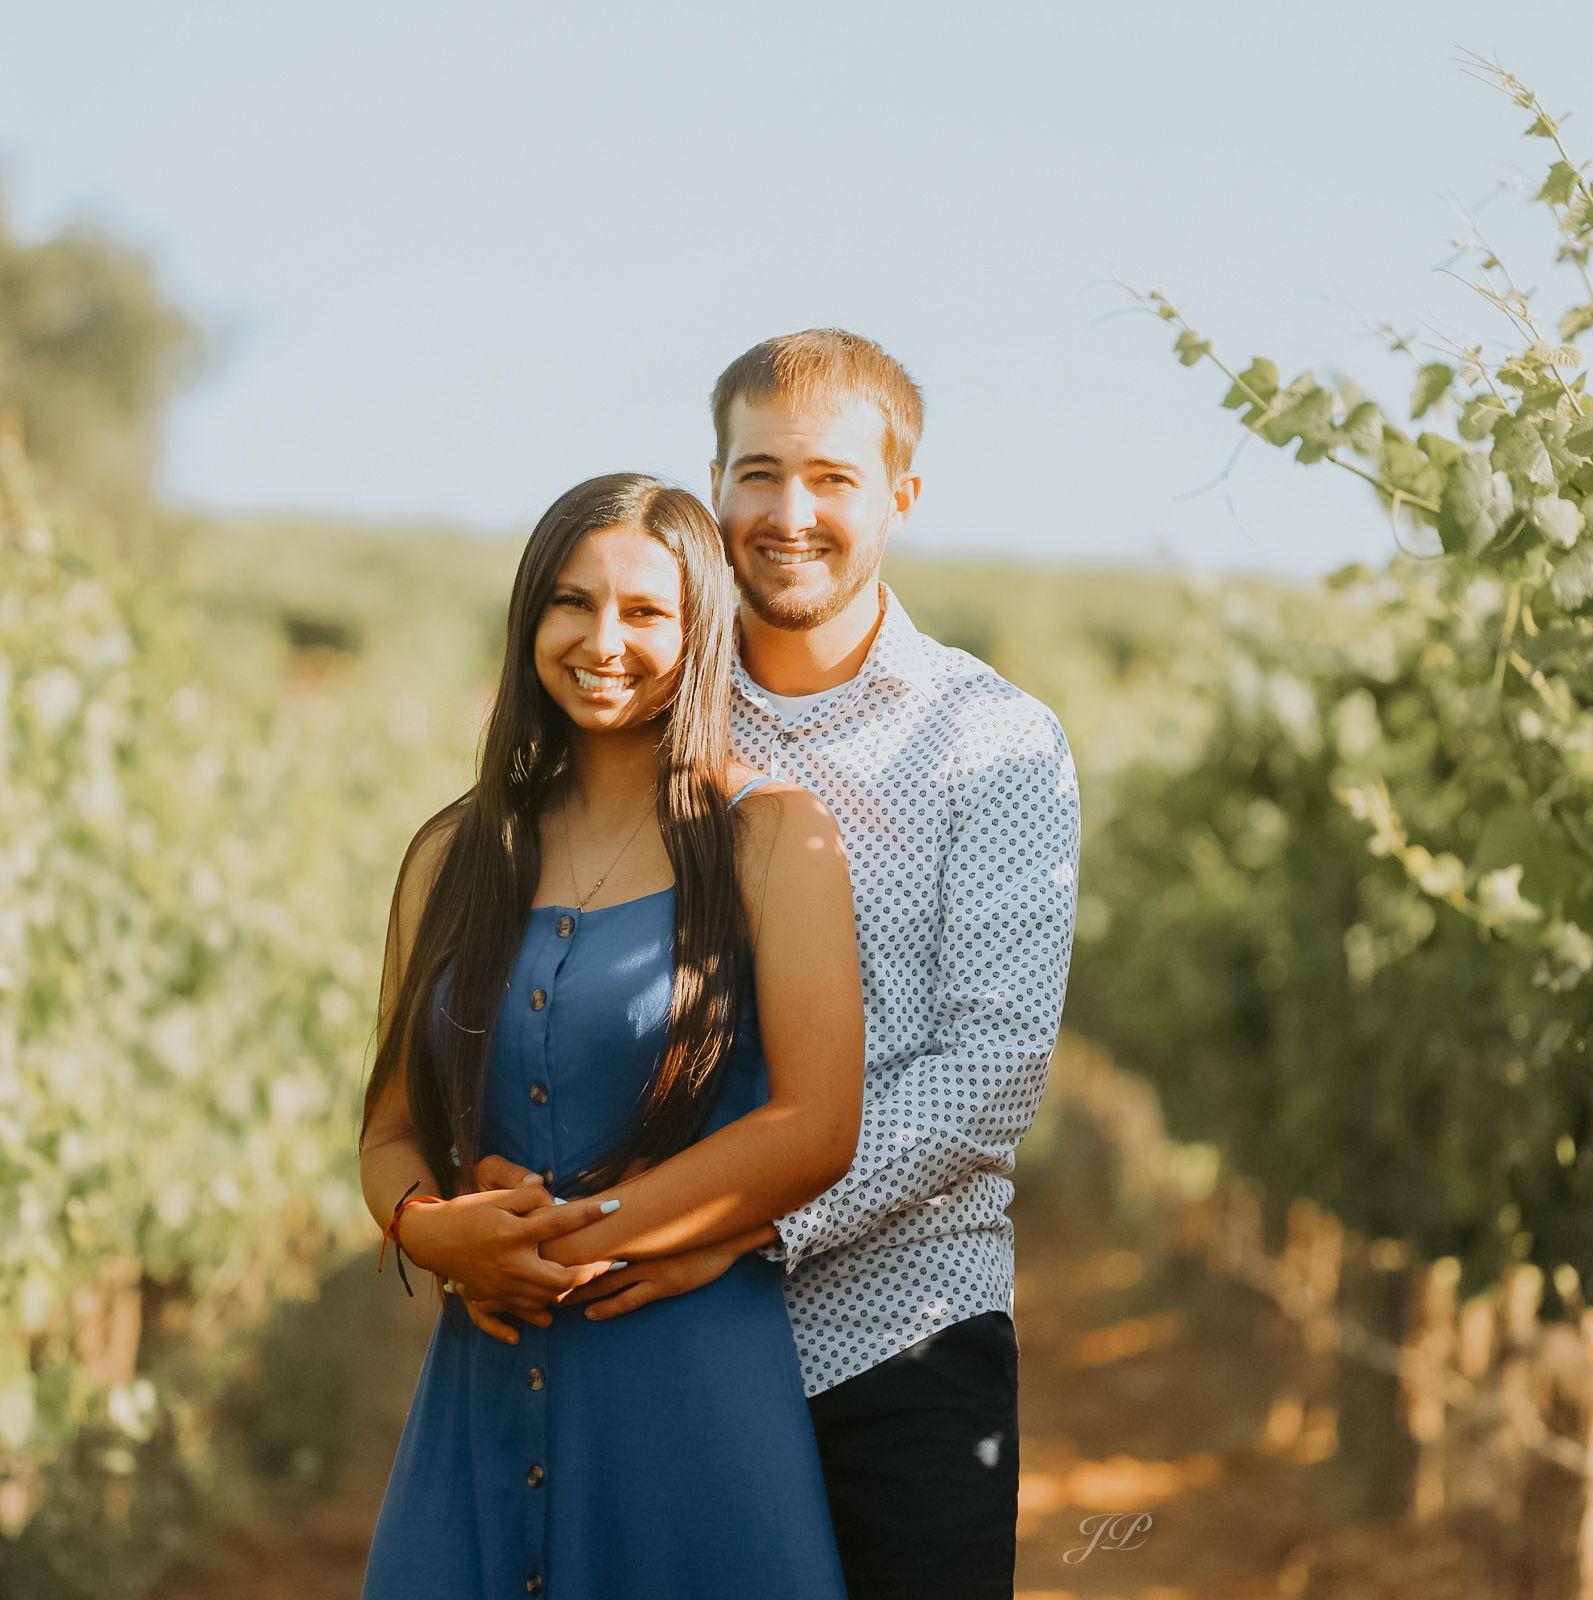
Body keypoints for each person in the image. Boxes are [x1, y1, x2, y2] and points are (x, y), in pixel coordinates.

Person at [471, 330, 1081, 1599]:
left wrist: (748, 1227)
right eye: (757, 473)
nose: (787, 513)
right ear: (715, 483)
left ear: (899, 498)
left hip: (898, 1339)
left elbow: (991, 1072)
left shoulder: (996, 744)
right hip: (650, 1334)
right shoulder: (635, 697)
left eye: (832, 479)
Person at [356, 471, 864, 1599]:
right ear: (530, 615)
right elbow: (387, 1132)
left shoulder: (773, 838)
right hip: (477, 1386)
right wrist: (431, 1233)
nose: (604, 639)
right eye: (572, 602)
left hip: (691, 1393)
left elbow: (818, 1126)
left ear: (700, 633)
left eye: (645, 611)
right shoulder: (450, 855)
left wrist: (561, 1243)